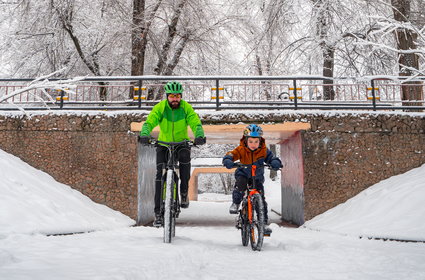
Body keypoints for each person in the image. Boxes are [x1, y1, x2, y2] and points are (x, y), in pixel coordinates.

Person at [138, 81, 206, 227]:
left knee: (185, 164)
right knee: (159, 175)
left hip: (182, 143)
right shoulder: (160, 108)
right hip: (163, 144)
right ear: (167, 96)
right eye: (172, 96)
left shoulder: (186, 107)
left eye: (177, 96)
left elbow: (195, 122)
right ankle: (158, 214)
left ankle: (183, 193)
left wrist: (199, 135)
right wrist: (145, 134)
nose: (175, 99)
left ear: (180, 96)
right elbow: (150, 122)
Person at [222, 124, 282, 235]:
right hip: (243, 174)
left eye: (256, 142)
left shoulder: (264, 151)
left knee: (262, 200)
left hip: (257, 177)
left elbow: (272, 158)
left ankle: (263, 224)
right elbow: (231, 154)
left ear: (260, 141)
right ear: (245, 141)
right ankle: (236, 203)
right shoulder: (241, 149)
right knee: (240, 186)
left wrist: (275, 162)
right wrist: (228, 160)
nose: (253, 144)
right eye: (250, 141)